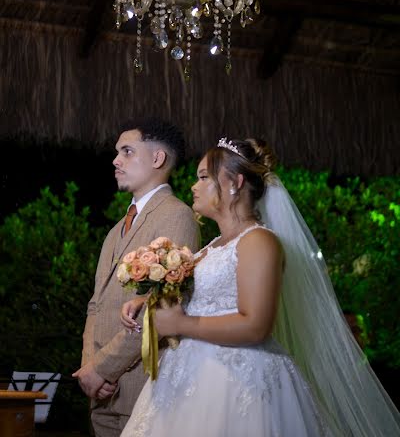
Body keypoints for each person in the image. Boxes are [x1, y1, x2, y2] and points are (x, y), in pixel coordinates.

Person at [120, 137, 400, 437]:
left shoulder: (258, 242)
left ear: (235, 183)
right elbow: (203, 299)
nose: (194, 186)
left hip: (237, 382)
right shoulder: (210, 248)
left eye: (203, 177)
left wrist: (181, 324)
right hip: (187, 375)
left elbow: (256, 325)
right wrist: (151, 300)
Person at [73, 118, 199, 437]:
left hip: (141, 385)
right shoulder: (116, 230)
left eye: (127, 152)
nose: (116, 160)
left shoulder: (177, 215)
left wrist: (103, 369)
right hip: (101, 392)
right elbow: (95, 304)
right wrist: (91, 367)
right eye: (117, 153)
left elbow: (165, 304)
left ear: (158, 159)